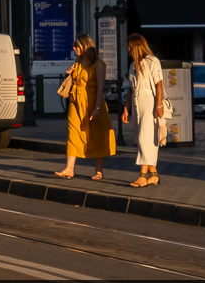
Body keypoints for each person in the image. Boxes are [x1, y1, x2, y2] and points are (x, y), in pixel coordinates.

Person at [55, 33, 114, 180]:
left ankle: (98, 170)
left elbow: (100, 88)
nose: (74, 47)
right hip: (76, 103)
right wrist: (71, 72)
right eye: (74, 45)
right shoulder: (78, 61)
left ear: (85, 46)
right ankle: (69, 169)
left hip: (93, 102)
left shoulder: (98, 64)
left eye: (76, 45)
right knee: (73, 133)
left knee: (97, 134)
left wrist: (97, 108)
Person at [120, 34, 165, 188]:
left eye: (129, 46)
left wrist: (159, 106)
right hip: (137, 103)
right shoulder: (133, 65)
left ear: (136, 46)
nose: (127, 49)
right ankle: (154, 175)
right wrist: (126, 108)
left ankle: (142, 176)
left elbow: (159, 84)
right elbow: (131, 89)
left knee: (145, 139)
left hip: (149, 102)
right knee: (141, 138)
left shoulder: (152, 62)